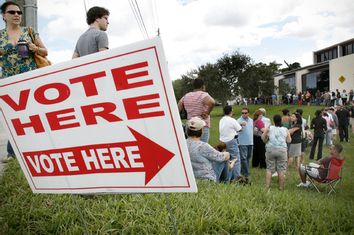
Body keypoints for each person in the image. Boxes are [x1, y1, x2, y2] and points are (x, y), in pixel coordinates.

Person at [0, 1, 48, 163]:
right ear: (4, 16)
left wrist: (35, 48)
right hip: (9, 81)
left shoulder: (30, 31)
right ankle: (12, 153)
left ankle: (37, 149)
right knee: (14, 117)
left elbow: (45, 51)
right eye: (12, 12)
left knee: (34, 114)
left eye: (19, 13)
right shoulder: (0, 36)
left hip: (30, 78)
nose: (16, 15)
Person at [186, 117, 230, 182]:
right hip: (206, 179)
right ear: (202, 130)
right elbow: (220, 157)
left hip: (190, 179)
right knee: (225, 158)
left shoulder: (182, 144)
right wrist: (227, 153)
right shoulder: (203, 146)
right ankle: (225, 183)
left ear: (187, 130)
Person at [178, 78, 215, 143]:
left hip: (190, 127)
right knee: (202, 148)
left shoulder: (186, 95)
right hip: (201, 126)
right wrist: (207, 113)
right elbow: (212, 102)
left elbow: (179, 105)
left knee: (191, 147)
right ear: (203, 86)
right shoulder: (203, 95)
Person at [262, 114, 291, 191]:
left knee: (269, 169)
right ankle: (281, 188)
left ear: (273, 121)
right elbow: (289, 140)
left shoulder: (269, 128)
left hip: (270, 149)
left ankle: (267, 187)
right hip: (282, 150)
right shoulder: (285, 129)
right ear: (281, 121)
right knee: (281, 170)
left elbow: (263, 138)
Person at [219, 105, 242, 181]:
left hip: (222, 141)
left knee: (226, 159)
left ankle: (227, 177)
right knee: (236, 159)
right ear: (231, 111)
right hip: (231, 140)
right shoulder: (232, 120)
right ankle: (237, 178)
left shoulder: (221, 120)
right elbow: (239, 129)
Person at [237, 107, 253, 183]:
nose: (244, 114)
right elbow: (235, 130)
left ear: (248, 113)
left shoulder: (251, 120)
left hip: (250, 142)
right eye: (242, 113)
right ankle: (246, 174)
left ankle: (242, 171)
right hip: (242, 142)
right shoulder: (238, 121)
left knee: (248, 158)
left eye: (245, 113)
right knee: (243, 158)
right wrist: (239, 125)